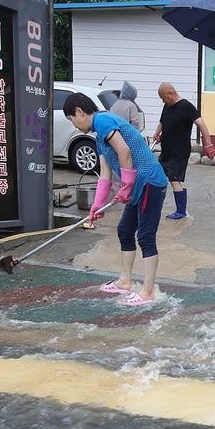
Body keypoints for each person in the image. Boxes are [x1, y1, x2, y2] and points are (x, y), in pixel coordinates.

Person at [62, 92, 169, 307]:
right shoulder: (98, 134)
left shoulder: (102, 121)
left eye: (71, 119)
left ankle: (147, 291)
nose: (74, 125)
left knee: (146, 236)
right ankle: (125, 281)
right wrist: (97, 205)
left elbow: (124, 150)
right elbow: (105, 174)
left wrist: (126, 185)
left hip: (149, 181)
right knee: (125, 230)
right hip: (136, 185)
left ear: (79, 112)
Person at [153, 82, 214, 220]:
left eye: (163, 98)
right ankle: (157, 204)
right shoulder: (167, 106)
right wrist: (157, 133)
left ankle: (181, 211)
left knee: (174, 179)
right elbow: (162, 121)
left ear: (170, 94)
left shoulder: (186, 106)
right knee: (158, 175)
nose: (162, 101)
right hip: (167, 150)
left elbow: (202, 125)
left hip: (180, 151)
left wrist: (208, 145)